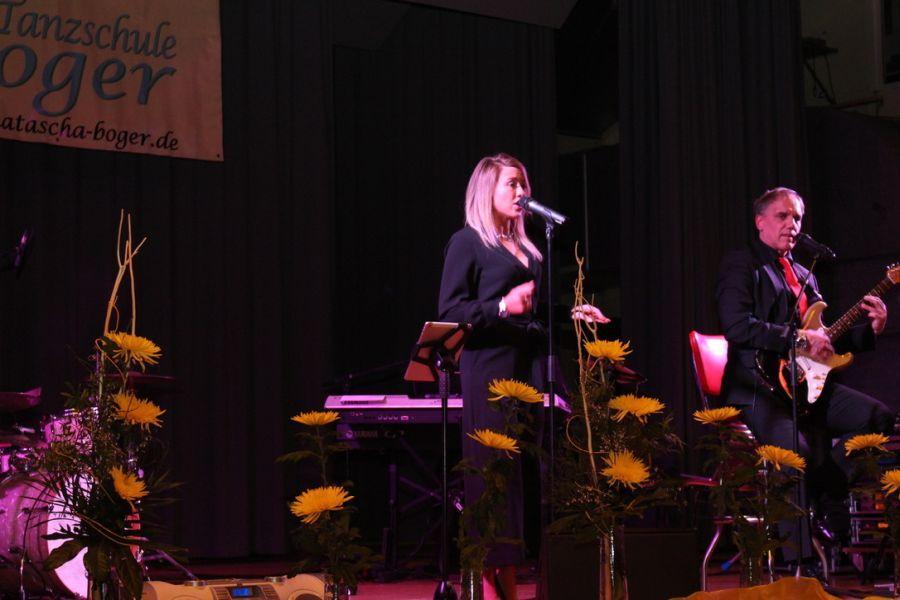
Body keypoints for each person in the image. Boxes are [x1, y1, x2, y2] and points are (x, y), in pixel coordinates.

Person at [438, 153, 606, 600]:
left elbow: (530, 313)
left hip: (528, 368)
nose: (520, 193)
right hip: (489, 370)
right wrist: (500, 306)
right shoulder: (468, 242)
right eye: (511, 184)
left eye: (523, 184)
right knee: (493, 477)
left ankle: (519, 583)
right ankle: (490, 589)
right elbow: (450, 312)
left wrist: (571, 314)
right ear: (487, 190)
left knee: (525, 476)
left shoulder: (527, 248)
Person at [716, 186, 894, 563]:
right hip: (758, 386)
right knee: (794, 453)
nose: (792, 224)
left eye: (797, 217)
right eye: (782, 216)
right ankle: (800, 563)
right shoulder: (742, 264)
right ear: (760, 222)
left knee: (878, 419)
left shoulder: (804, 274)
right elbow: (736, 326)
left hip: (806, 386)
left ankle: (825, 489)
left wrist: (870, 331)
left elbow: (824, 341)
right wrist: (797, 337)